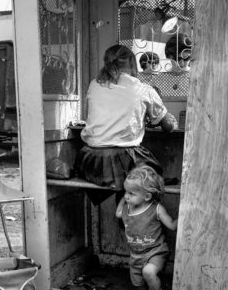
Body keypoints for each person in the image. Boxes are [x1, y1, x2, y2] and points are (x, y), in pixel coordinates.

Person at [75, 44, 177, 193]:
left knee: (131, 175)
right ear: (132, 64)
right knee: (149, 177)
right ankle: (134, 213)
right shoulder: (143, 89)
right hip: (121, 163)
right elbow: (168, 127)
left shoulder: (94, 84)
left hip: (89, 162)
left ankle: (122, 210)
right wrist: (170, 120)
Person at [115, 166, 177, 290]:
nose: (126, 196)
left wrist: (185, 215)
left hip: (155, 251)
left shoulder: (156, 209)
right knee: (138, 286)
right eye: (125, 192)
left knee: (148, 272)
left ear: (147, 196)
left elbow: (172, 225)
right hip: (135, 256)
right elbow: (118, 213)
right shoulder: (126, 209)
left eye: (131, 193)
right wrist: (125, 200)